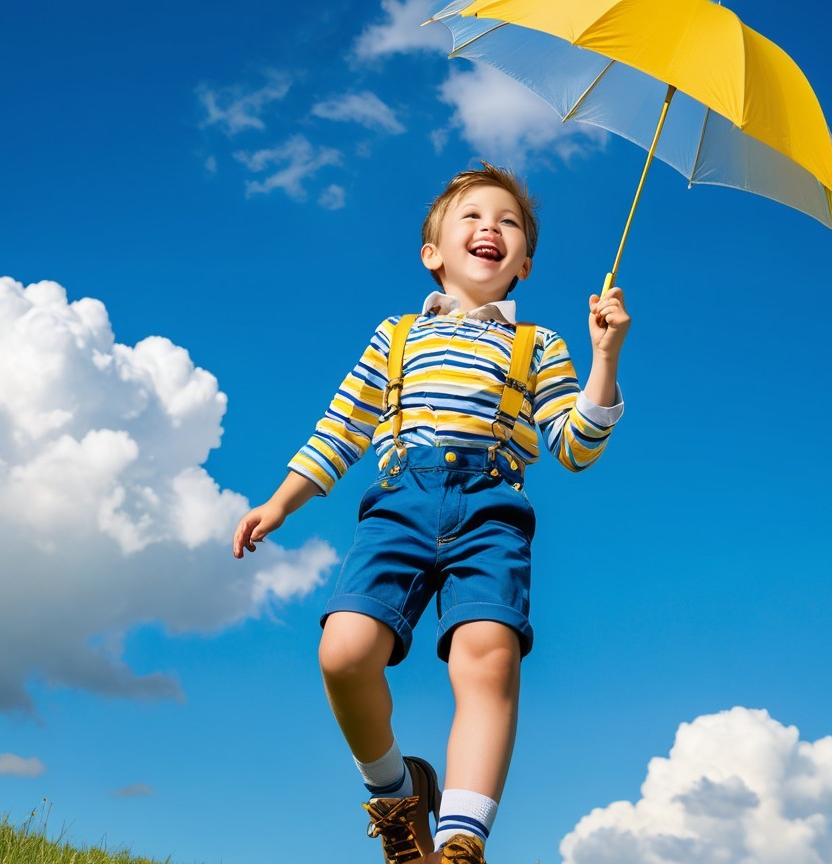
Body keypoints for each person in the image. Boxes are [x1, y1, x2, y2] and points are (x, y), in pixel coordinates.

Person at [232, 163, 630, 864]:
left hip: (491, 512)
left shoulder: (541, 346)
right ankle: (397, 791)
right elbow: (340, 430)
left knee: (490, 659)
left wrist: (604, 358)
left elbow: (573, 448)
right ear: (433, 253)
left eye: (509, 223)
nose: (491, 229)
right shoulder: (395, 336)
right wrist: (281, 502)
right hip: (399, 507)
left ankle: (460, 842)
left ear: (524, 265)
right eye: (473, 217)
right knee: (344, 653)